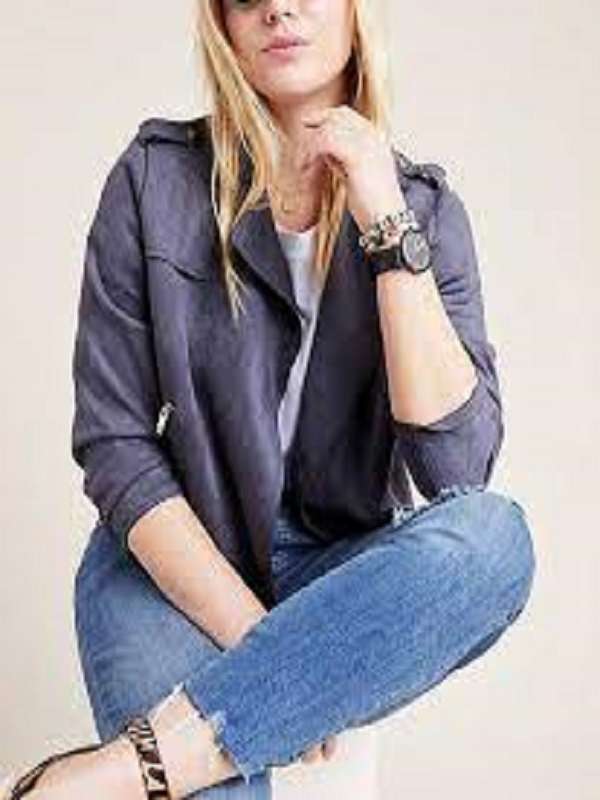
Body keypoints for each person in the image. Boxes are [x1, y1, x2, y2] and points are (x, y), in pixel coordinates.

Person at [1, 0, 537, 798]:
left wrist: (385, 220)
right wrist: (277, 661)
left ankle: (101, 776)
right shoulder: (154, 179)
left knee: (497, 540)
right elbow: (115, 446)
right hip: (174, 559)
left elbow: (455, 470)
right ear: (220, 21)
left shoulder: (423, 209)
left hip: (338, 564)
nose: (277, 7)